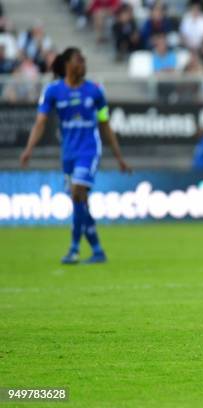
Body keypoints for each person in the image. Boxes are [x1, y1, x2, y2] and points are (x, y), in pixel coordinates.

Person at [19, 47, 131, 264]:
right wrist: (29, 149)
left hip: (89, 150)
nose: (83, 65)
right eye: (79, 60)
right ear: (68, 64)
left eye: (84, 61)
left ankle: (74, 248)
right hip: (68, 153)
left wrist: (118, 157)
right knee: (80, 202)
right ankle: (97, 250)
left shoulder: (95, 92)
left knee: (78, 191)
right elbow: (40, 123)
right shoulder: (53, 91)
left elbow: (105, 125)